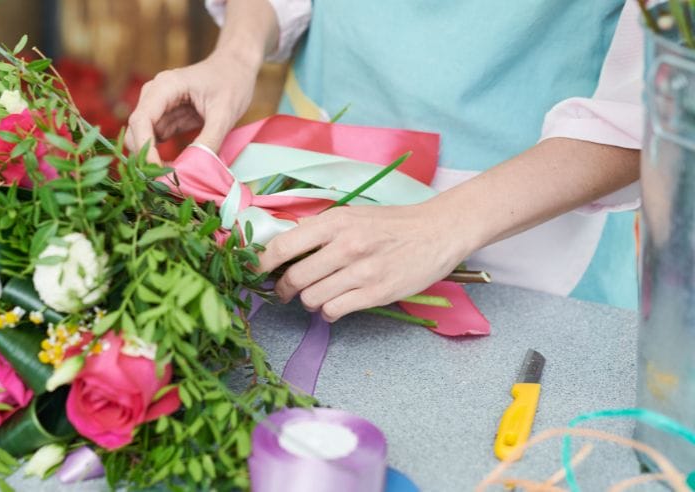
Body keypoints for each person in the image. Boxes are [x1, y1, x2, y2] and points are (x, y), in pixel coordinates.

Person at [125, 0, 644, 320]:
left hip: (523, 244)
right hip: (298, 198)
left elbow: (659, 104)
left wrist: (442, 227)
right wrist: (234, 57)